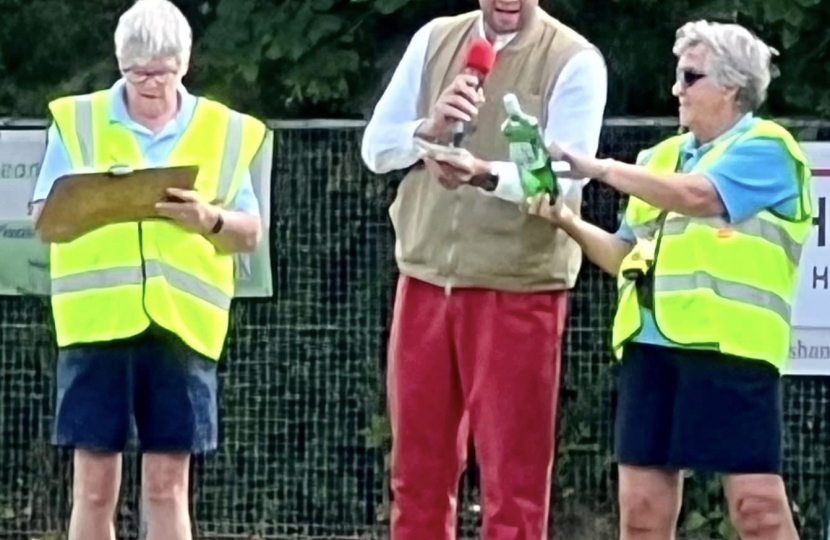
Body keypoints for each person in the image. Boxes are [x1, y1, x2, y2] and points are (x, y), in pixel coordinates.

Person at [527, 20, 811, 540]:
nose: (675, 88)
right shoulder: (659, 159)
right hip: (649, 347)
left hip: (732, 351)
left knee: (757, 509)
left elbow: (699, 196)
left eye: (689, 75)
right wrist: (565, 221)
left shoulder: (769, 146)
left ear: (730, 86)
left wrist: (600, 168)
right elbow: (624, 254)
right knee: (641, 515)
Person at [361, 0, 607, 538]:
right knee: (415, 476)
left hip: (519, 287)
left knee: (513, 486)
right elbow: (376, 149)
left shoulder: (575, 59)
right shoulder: (434, 39)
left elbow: (564, 183)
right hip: (424, 279)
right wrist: (428, 129)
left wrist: (482, 174)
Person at [29, 1, 266, 539]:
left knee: (167, 486)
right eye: (137, 73)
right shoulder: (78, 121)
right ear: (119, 64)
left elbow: (250, 231)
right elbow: (44, 219)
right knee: (92, 488)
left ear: (185, 64)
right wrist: (92, 201)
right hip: (96, 325)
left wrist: (207, 219)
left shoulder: (224, 130)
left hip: (183, 328)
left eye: (161, 72)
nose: (150, 84)